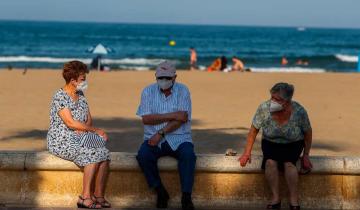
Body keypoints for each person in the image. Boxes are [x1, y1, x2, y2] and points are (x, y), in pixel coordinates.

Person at [47, 61, 111, 209]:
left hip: (79, 135)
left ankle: (99, 195)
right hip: (61, 139)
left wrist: (85, 129)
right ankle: (84, 197)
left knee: (104, 153)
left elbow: (88, 118)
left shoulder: (80, 94)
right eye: (83, 79)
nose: (85, 82)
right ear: (73, 80)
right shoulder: (60, 96)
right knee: (93, 152)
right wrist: (96, 130)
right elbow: (70, 122)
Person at [238, 82, 313, 210]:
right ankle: (275, 198)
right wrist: (247, 153)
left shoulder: (299, 111)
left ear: (287, 101)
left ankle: (294, 201)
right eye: (272, 97)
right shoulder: (264, 108)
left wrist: (306, 155)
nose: (272, 101)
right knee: (270, 163)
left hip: (293, 144)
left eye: (277, 99)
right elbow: (253, 131)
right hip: (270, 143)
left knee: (289, 164)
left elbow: (308, 133)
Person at [136, 61, 196, 210]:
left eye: (167, 78)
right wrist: (173, 115)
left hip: (180, 138)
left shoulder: (183, 91)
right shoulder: (147, 91)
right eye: (160, 77)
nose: (164, 80)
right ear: (155, 76)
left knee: (189, 156)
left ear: (175, 77)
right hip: (152, 139)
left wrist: (160, 132)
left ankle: (186, 197)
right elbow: (146, 119)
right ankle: (160, 191)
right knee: (143, 155)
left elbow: (182, 120)